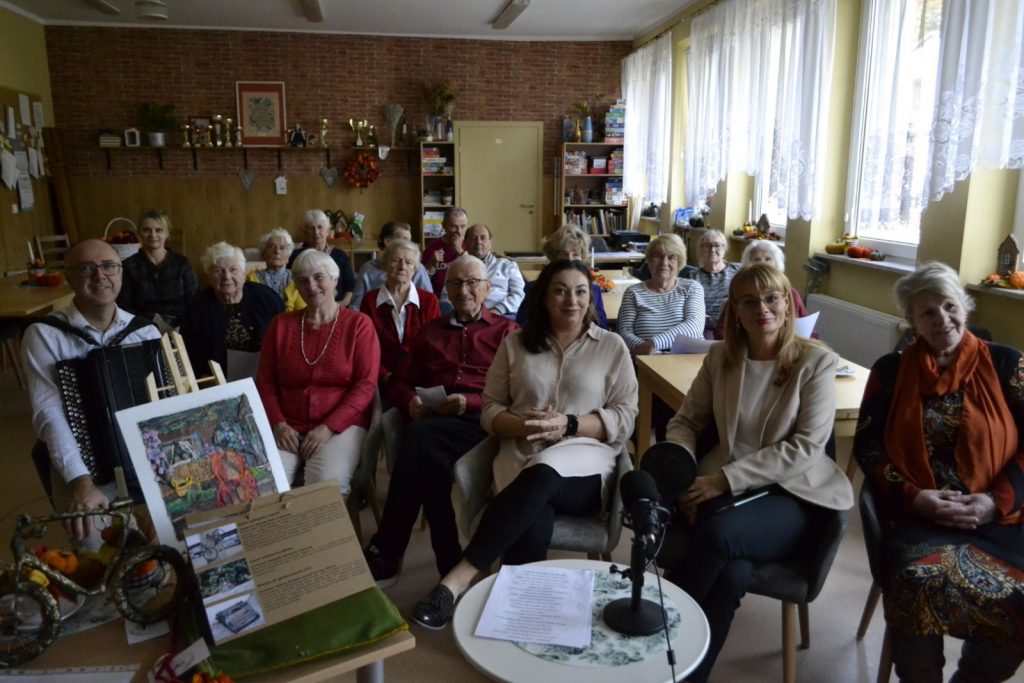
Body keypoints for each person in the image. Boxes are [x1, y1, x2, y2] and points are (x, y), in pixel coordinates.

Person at [409, 259, 638, 630]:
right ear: (544, 298)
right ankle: (522, 624)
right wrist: (523, 424)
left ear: (590, 297)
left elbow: (626, 418)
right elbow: (490, 411)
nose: (571, 300)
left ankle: (458, 578)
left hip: (586, 467)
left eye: (580, 291)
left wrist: (570, 424)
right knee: (531, 521)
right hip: (521, 456)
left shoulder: (611, 347)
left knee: (543, 474)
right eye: (560, 291)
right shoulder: (515, 344)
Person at [661, 263, 853, 682]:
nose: (761, 308)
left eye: (771, 298)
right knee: (732, 573)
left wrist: (722, 482)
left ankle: (655, 638)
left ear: (787, 304)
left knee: (716, 536)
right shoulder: (720, 358)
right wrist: (682, 473)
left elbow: (806, 447)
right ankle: (684, 676)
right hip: (724, 491)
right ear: (735, 310)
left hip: (792, 495)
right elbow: (685, 422)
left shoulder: (815, 362)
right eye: (749, 300)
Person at [854, 262, 1024, 683]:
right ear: (911, 321)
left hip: (998, 519)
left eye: (949, 306)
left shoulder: (1008, 365)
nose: (942, 319)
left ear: (964, 306)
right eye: (927, 312)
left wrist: (993, 501)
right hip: (920, 517)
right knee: (915, 580)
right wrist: (915, 497)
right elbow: (868, 447)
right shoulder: (889, 372)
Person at [363, 254, 518, 586]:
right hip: (434, 422)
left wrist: (471, 400)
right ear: (446, 289)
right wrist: (411, 401)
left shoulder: (508, 333)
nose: (464, 290)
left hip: (485, 423)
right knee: (426, 452)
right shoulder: (430, 333)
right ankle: (446, 556)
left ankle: (390, 549)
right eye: (456, 283)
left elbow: (520, 391)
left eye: (472, 282)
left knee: (418, 440)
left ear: (488, 287)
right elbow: (401, 381)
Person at [23, 239, 161, 541]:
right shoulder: (45, 335)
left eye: (109, 266)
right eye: (87, 268)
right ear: (70, 278)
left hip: (147, 466)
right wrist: (81, 482)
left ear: (121, 273)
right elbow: (49, 413)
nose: (101, 276)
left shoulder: (146, 332)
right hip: (82, 469)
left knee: (168, 552)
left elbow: (164, 406)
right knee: (98, 556)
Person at [256, 249, 380, 497]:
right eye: (302, 280)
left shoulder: (358, 325)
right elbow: (266, 383)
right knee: (262, 487)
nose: (311, 286)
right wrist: (279, 424)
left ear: (335, 280)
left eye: (318, 277)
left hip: (341, 425)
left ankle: (318, 538)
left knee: (323, 489)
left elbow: (365, 386)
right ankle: (278, 537)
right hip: (286, 425)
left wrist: (329, 427)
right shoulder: (280, 325)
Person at [180, 242, 282, 375]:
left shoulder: (267, 299)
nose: (226, 277)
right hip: (217, 380)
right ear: (209, 277)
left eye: (233, 270)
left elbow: (283, 341)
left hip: (264, 375)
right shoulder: (196, 309)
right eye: (218, 271)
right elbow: (189, 357)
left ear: (244, 273)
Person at [359, 238, 440, 384]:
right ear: (384, 264)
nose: (402, 266)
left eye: (409, 262)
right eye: (396, 260)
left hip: (420, 378)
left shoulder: (429, 301)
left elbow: (434, 346)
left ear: (415, 268)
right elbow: (365, 349)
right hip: (381, 379)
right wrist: (384, 375)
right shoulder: (369, 301)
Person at [617, 233, 705, 355]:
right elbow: (624, 332)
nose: (664, 262)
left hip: (687, 360)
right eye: (658, 256)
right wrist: (649, 353)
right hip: (646, 362)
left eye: (671, 257)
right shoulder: (633, 293)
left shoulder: (692, 288)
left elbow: (694, 327)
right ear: (648, 260)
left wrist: (654, 344)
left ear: (679, 263)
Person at [713, 240, 815, 340]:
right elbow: (721, 333)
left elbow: (810, 331)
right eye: (757, 260)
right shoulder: (740, 293)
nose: (763, 264)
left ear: (777, 264)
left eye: (768, 259)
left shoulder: (792, 294)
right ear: (748, 266)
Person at [116, 209, 198, 327]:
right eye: (146, 230)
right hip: (142, 329)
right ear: (139, 233)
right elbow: (125, 306)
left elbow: (194, 302)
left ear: (167, 233)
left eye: (158, 230)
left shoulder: (182, 263)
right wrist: (144, 329)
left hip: (181, 328)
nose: (153, 235)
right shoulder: (129, 265)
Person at [516, 225, 609, 329]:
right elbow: (522, 327)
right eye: (563, 255)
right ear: (553, 258)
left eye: (575, 255)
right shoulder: (534, 288)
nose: (569, 260)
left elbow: (602, 328)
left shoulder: (594, 290)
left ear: (583, 258)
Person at [440, 224, 525, 318]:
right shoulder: (456, 267)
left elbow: (519, 295)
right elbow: (445, 297)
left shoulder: (507, 266)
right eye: (473, 238)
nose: (478, 242)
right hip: (464, 317)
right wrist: (462, 313)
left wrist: (498, 310)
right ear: (465, 243)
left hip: (503, 315)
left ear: (490, 243)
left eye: (483, 238)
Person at [348, 221, 432, 310]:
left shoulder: (417, 268)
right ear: (387, 241)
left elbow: (428, 302)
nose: (408, 245)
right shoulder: (368, 269)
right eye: (404, 240)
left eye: (410, 241)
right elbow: (356, 306)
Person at [287, 209, 356, 306]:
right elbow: (291, 285)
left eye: (320, 227)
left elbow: (350, 287)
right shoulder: (296, 256)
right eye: (311, 228)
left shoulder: (340, 256)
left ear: (327, 230)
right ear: (306, 232)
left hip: (337, 305)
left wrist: (340, 305)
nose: (316, 232)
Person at [682, 229, 740, 339]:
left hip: (733, 327)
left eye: (717, 245)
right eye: (707, 246)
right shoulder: (691, 277)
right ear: (700, 250)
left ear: (724, 249)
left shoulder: (737, 271)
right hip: (702, 329)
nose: (712, 250)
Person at [248, 228, 304, 311]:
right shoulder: (252, 278)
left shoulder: (297, 278)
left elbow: (302, 310)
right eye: (271, 247)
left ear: (289, 255)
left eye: (282, 248)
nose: (277, 251)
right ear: (263, 254)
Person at [423, 207, 467, 294]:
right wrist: (431, 264)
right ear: (443, 225)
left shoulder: (469, 245)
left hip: (462, 294)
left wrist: (460, 251)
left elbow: (474, 273)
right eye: (453, 227)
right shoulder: (433, 246)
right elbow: (422, 278)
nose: (459, 232)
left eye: (463, 226)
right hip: (437, 296)